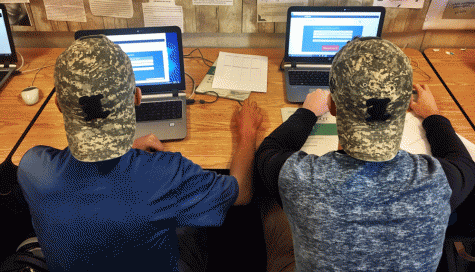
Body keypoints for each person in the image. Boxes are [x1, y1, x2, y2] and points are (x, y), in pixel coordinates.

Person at [17, 35, 263, 272]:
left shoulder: (32, 168)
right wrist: (248, 133)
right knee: (191, 226)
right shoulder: (166, 174)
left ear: (59, 104)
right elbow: (241, 193)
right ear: (137, 96)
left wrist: (129, 148)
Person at [255, 37, 475, 271]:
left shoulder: (300, 178)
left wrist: (307, 112)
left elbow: (267, 152)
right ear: (405, 105)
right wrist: (433, 116)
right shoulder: (440, 182)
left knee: (270, 204)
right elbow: (462, 161)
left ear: (332, 106)